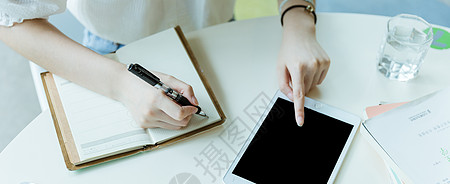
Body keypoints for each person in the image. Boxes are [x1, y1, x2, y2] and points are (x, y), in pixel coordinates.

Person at [0, 0, 329, 128]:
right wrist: (120, 83)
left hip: (219, 32)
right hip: (113, 55)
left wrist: (298, 16)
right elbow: (10, 17)